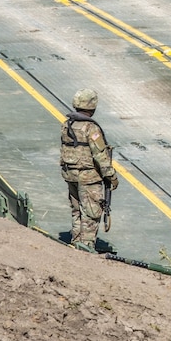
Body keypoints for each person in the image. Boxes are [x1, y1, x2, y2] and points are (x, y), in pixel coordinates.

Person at [60, 88, 118, 252]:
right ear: (92, 106)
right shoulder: (91, 128)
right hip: (88, 178)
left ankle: (76, 242)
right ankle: (86, 247)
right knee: (91, 213)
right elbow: (100, 155)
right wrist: (111, 176)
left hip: (70, 175)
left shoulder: (67, 125)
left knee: (77, 210)